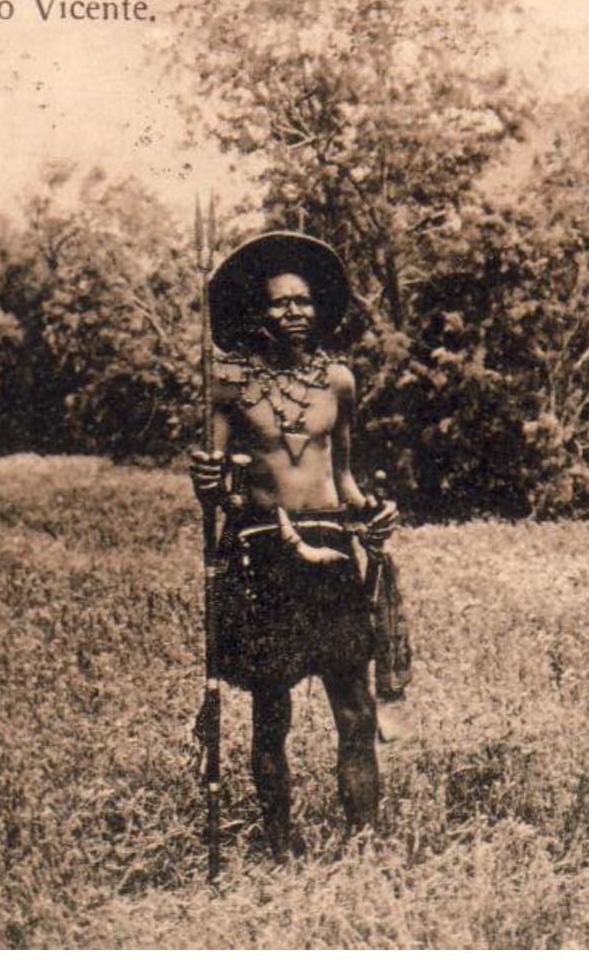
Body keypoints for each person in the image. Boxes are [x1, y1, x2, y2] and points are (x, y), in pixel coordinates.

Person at [189, 231, 408, 860]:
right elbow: (214, 480)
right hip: (263, 554)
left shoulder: (338, 380)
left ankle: (364, 845)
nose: (293, 313)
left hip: (334, 553)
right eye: (280, 303)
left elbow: (343, 476)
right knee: (271, 713)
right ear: (257, 313)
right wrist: (205, 482)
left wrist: (372, 510)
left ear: (320, 309)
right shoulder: (228, 385)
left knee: (355, 710)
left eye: (304, 302)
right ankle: (281, 843)